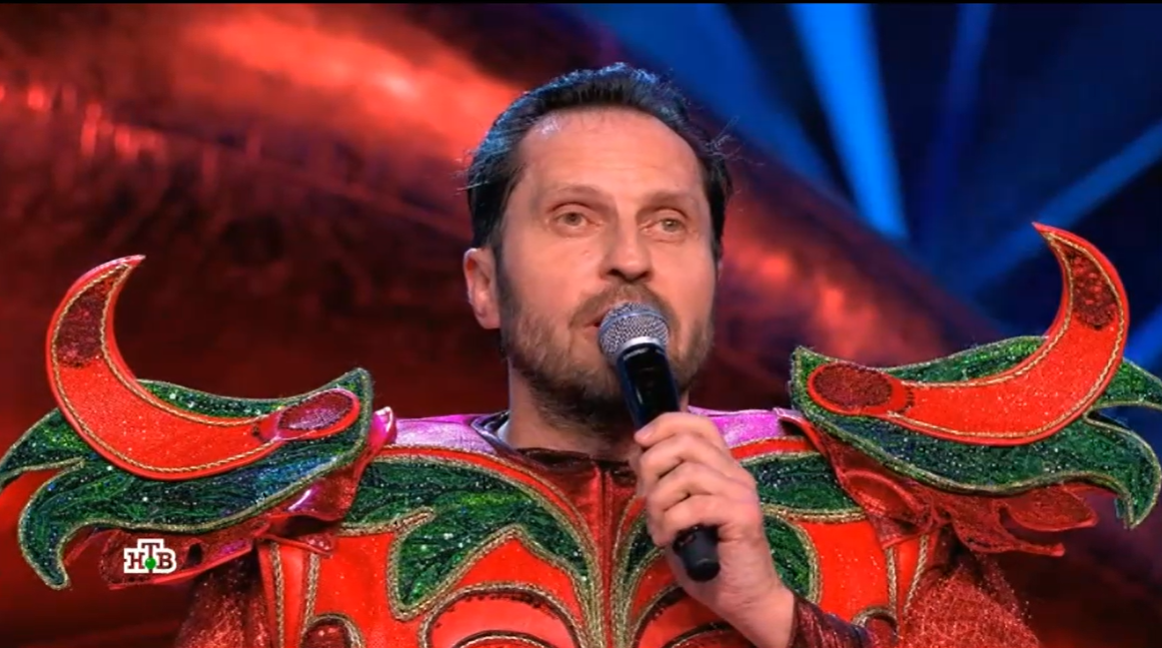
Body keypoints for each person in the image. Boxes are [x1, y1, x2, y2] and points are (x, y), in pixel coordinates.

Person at [2, 63, 1160, 648]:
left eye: (669, 224)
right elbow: (142, 557)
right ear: (482, 285)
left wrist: (774, 615)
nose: (629, 261)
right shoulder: (312, 531)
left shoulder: (882, 515)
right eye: (573, 219)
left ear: (714, 273)